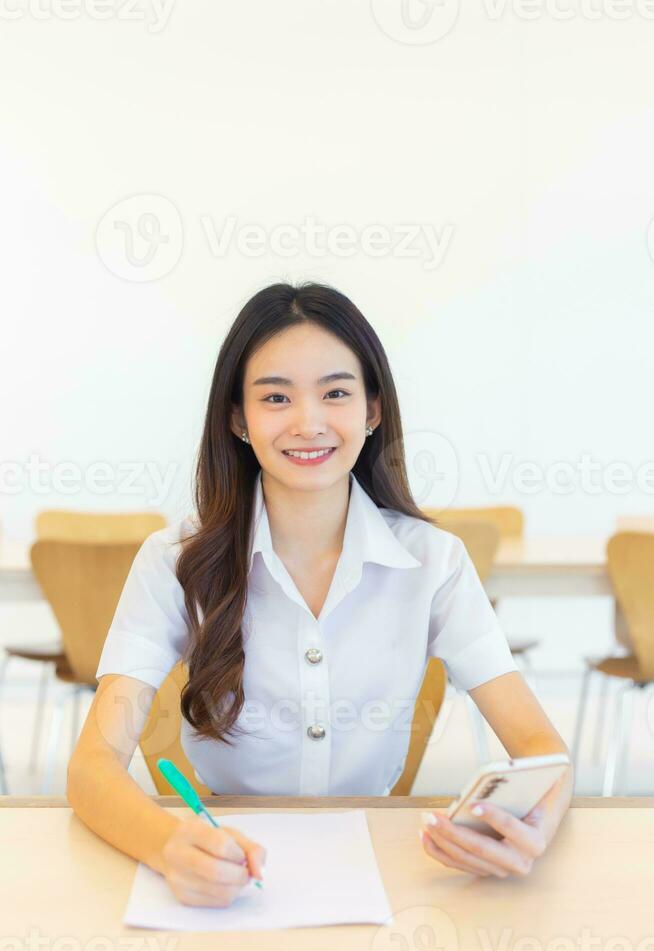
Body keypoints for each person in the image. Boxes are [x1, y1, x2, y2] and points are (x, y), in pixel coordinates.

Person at [67, 281, 573, 907]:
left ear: (372, 410)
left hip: (383, 869)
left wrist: (531, 829)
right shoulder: (174, 562)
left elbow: (541, 750)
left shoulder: (431, 561)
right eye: (275, 397)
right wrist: (166, 843)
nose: (308, 423)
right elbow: (93, 767)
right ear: (237, 418)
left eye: (335, 393)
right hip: (228, 862)